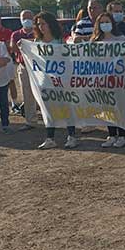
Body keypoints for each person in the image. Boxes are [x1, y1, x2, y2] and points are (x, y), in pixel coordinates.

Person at [33, 13, 77, 149]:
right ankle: (50, 138)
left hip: (60, 80)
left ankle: (72, 136)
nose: (41, 27)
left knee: (66, 108)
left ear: (50, 24)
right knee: (48, 110)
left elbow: (66, 59)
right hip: (45, 81)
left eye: (44, 23)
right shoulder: (37, 42)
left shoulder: (59, 41)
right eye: (39, 24)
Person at [90, 12, 125, 148]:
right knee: (107, 108)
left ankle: (122, 135)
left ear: (112, 23)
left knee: (119, 107)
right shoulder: (95, 41)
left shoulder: (121, 39)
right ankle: (112, 135)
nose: (104, 25)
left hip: (117, 81)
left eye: (107, 22)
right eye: (102, 22)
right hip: (102, 81)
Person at [10, 10, 38, 130]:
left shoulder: (39, 32)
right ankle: (30, 121)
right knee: (27, 95)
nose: (27, 20)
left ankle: (51, 119)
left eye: (29, 17)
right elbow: (13, 48)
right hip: (24, 67)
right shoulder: (16, 34)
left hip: (39, 68)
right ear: (20, 20)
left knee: (44, 93)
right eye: (24, 18)